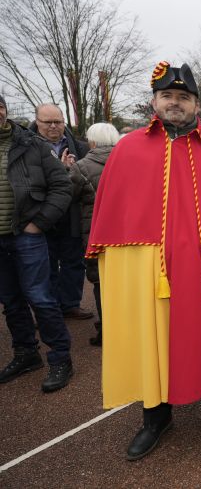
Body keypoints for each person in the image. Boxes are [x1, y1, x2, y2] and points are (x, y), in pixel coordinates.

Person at [87, 62, 201, 460]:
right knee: (156, 340)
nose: (175, 103)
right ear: (154, 101)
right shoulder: (129, 149)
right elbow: (113, 210)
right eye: (167, 96)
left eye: (183, 97)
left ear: (196, 104)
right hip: (154, 270)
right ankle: (156, 415)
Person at [0, 94, 74, 393]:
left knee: (40, 297)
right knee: (11, 301)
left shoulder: (31, 145)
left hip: (26, 236)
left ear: (5, 111)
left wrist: (39, 223)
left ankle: (60, 358)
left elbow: (62, 185)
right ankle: (26, 353)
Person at [30, 104, 92, 320]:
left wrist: (74, 172)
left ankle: (70, 304)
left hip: (72, 215)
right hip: (40, 216)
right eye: (48, 122)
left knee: (74, 262)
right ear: (37, 121)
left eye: (58, 121)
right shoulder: (25, 146)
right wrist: (58, 170)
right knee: (44, 265)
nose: (54, 126)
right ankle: (49, 310)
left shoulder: (81, 148)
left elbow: (89, 182)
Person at [69, 122, 121, 346]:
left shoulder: (81, 166)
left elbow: (69, 195)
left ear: (91, 141)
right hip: (129, 231)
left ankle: (106, 332)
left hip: (96, 231)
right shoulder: (129, 161)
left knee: (100, 281)